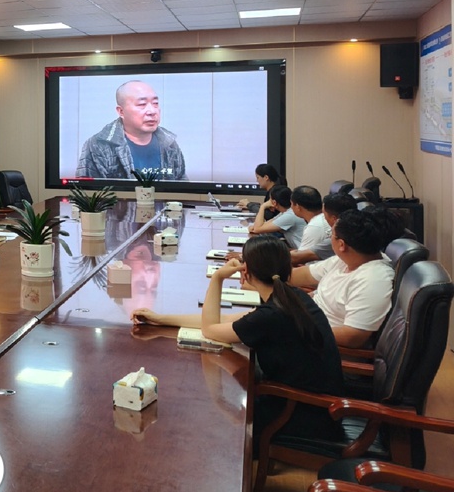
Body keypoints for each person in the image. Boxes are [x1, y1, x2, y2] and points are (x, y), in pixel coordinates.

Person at [131, 235, 343, 446]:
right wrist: (161, 319)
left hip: (301, 417)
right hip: (315, 409)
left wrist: (217, 278)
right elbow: (222, 321)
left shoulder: (270, 315)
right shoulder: (292, 297)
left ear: (246, 270)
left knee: (204, 426)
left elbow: (210, 329)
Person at [287, 206, 404, 348]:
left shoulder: (373, 280)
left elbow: (352, 337)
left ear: (341, 244)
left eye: (331, 234)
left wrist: (297, 330)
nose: (329, 237)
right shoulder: (345, 260)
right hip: (303, 318)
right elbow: (301, 275)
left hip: (315, 346)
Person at [76, 80, 185, 180]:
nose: (152, 111)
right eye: (142, 104)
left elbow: (182, 184)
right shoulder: (98, 145)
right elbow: (87, 190)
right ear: (121, 111)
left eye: (155, 103)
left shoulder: (169, 143)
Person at [286, 186, 332, 265]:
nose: (291, 207)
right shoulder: (322, 218)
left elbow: (298, 259)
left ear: (298, 207)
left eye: (291, 204)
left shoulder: (315, 226)